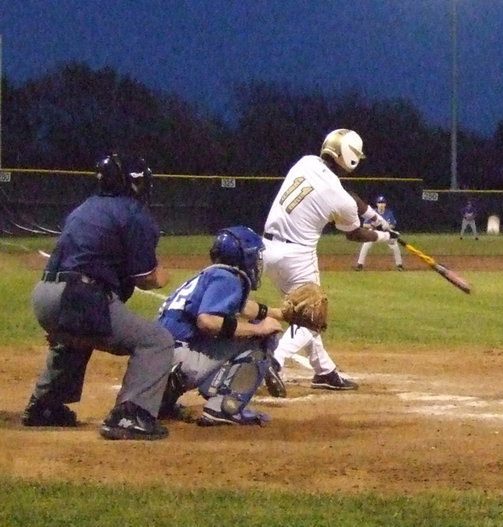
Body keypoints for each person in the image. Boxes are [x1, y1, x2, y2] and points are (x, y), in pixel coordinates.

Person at [22, 154, 175, 441]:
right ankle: (131, 415)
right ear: (134, 184)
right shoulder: (132, 212)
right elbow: (145, 276)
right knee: (157, 341)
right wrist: (162, 277)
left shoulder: (84, 208)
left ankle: (45, 405)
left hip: (44, 294)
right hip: (79, 296)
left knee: (76, 337)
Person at [262, 128, 399, 392]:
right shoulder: (339, 198)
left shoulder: (307, 162)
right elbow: (354, 234)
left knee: (303, 313)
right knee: (312, 317)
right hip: (298, 257)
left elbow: (348, 197)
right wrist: (384, 236)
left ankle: (325, 372)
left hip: (268, 249)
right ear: (349, 158)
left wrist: (374, 215)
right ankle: (275, 359)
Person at [157, 226, 284, 425]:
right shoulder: (228, 278)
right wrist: (259, 329)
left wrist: (280, 314)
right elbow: (207, 320)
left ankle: (162, 402)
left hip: (158, 360)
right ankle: (224, 408)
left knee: (235, 328)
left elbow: (240, 308)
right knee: (262, 336)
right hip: (180, 360)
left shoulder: (211, 275)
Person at [354, 195, 404, 271]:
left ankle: (399, 265)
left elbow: (393, 225)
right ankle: (360, 265)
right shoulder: (372, 212)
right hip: (374, 232)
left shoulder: (389, 213)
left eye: (383, 203)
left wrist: (386, 228)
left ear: (385, 204)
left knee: (395, 246)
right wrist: (373, 225)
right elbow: (364, 224)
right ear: (377, 204)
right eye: (379, 203)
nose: (381, 204)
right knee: (366, 245)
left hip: (386, 233)